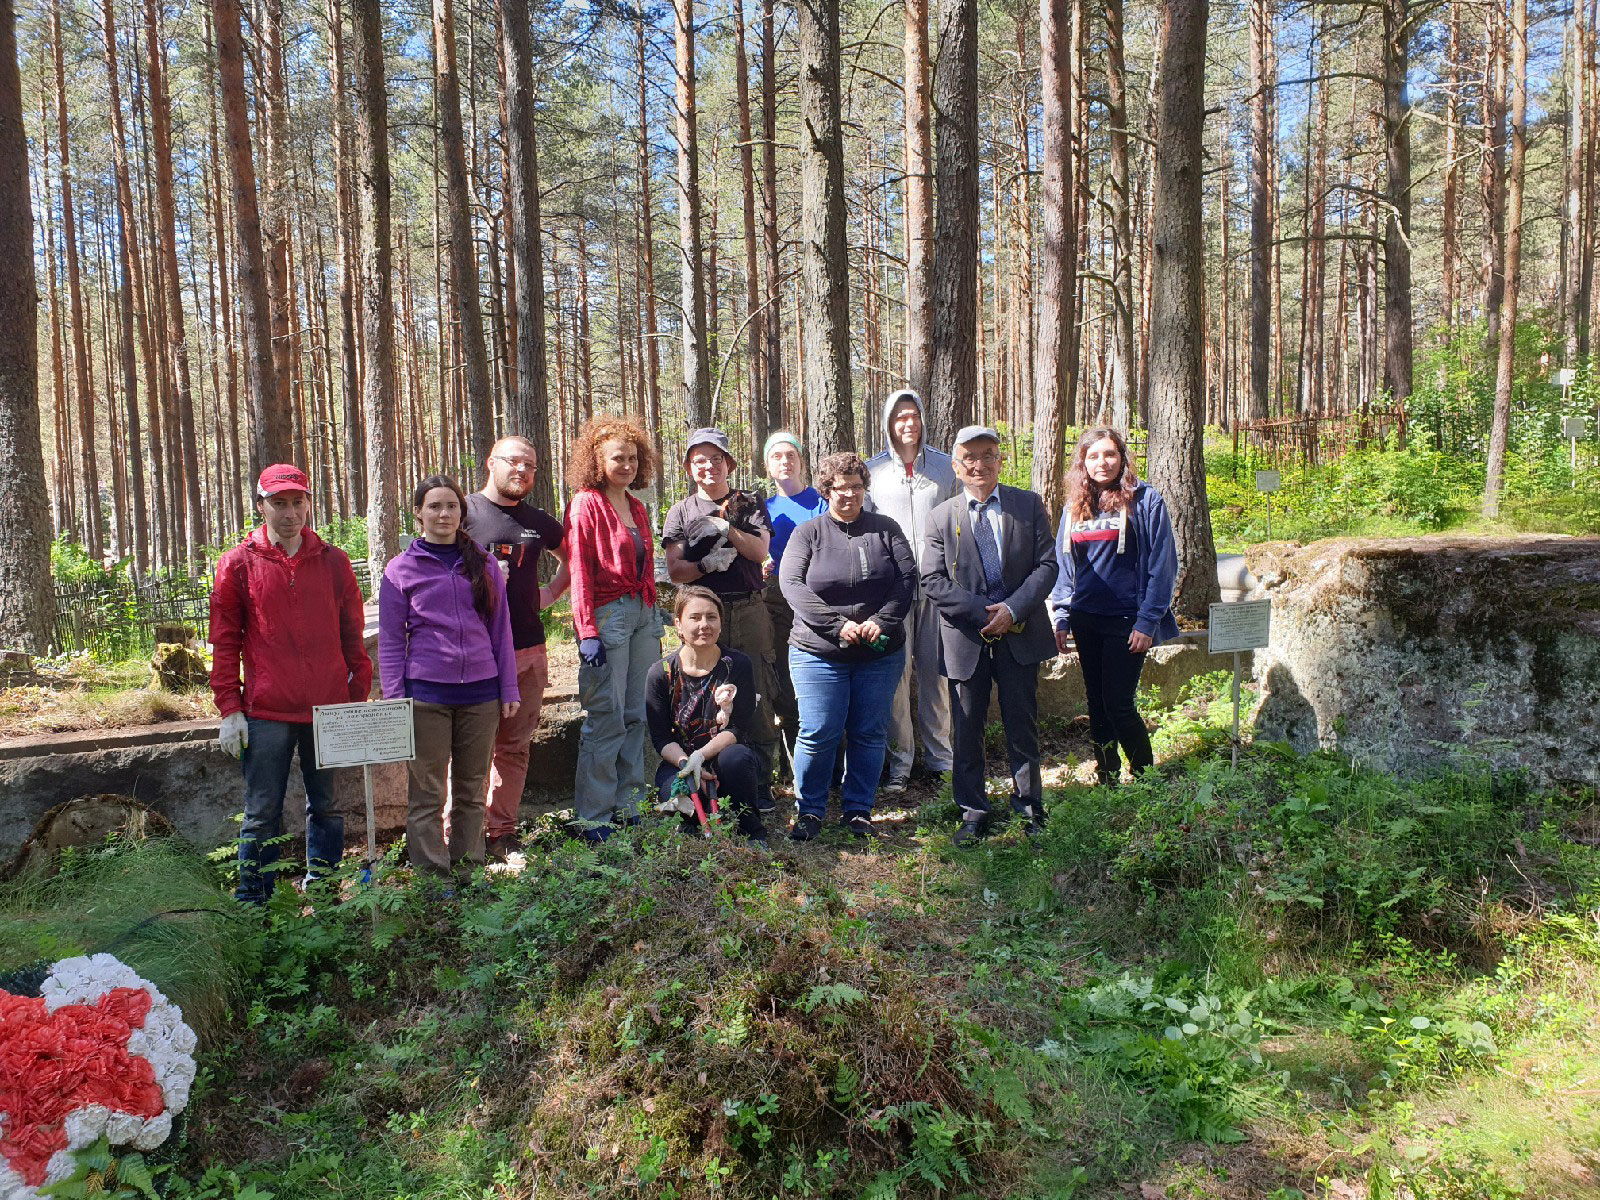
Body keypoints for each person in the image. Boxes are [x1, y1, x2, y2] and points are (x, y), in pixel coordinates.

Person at [210, 464, 373, 904]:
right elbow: (224, 643)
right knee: (261, 811)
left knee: (327, 807)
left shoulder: (334, 562)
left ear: (308, 503)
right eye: (279, 503)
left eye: (297, 502)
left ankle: (323, 891)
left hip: (327, 710)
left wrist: (353, 700)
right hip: (266, 713)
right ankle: (253, 900)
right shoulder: (238, 565)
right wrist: (230, 708)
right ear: (260, 505)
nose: (290, 512)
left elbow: (352, 637)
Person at [921, 427, 1060, 845]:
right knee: (966, 728)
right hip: (967, 637)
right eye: (969, 458)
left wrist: (1013, 609)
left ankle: (1029, 808)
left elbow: (1047, 566)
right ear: (956, 467)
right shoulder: (941, 517)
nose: (978, 465)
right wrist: (984, 613)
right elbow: (931, 578)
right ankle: (973, 811)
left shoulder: (1028, 505)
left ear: (1001, 460)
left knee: (1023, 724)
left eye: (988, 455)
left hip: (1020, 633)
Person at [379, 475, 520, 878]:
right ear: (418, 513)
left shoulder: (484, 563)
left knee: (471, 789)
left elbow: (500, 630)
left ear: (463, 512)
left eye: (452, 506)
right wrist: (395, 699)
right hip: (426, 697)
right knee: (427, 792)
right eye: (435, 506)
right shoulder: (400, 570)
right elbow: (391, 641)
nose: (444, 514)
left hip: (481, 694)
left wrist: (507, 686)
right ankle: (431, 879)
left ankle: (468, 871)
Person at [779, 451, 917, 841]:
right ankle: (809, 811)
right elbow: (792, 586)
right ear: (826, 491)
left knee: (869, 732)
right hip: (817, 652)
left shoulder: (885, 528)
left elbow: (906, 579)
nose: (849, 495)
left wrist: (881, 621)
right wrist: (837, 626)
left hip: (879, 652)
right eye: (840, 488)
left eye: (856, 486)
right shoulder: (808, 533)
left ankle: (858, 810)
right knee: (819, 731)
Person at [1048, 427, 1179, 785]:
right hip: (1086, 618)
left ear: (1122, 458)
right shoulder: (1075, 505)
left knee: (1119, 703)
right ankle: (1106, 776)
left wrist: (1148, 621)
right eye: (1093, 456)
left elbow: (1162, 565)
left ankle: (1145, 775)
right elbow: (1064, 565)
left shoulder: (1145, 499)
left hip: (1128, 620)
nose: (1102, 462)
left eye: (1109, 454)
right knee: (1096, 703)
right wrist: (1062, 616)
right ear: (1083, 462)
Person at [463, 435, 569, 860]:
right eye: (514, 462)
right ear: (491, 462)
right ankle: (461, 833)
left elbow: (572, 558)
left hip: (527, 648)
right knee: (469, 748)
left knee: (514, 746)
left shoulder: (539, 522)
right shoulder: (463, 511)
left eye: (530, 465)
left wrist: (549, 594)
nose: (522, 471)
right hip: (472, 653)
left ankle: (501, 833)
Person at [663, 428, 780, 803]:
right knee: (703, 695)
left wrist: (727, 528)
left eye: (716, 459)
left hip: (748, 609)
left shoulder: (748, 502)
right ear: (689, 468)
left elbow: (760, 551)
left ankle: (758, 782)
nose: (709, 467)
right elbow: (676, 570)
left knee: (756, 691)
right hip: (701, 615)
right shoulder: (681, 512)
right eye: (700, 461)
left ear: (728, 463)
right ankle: (708, 781)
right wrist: (705, 565)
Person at [565, 415, 663, 840]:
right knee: (606, 717)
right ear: (597, 461)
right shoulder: (587, 503)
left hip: (643, 615)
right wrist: (587, 631)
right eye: (616, 458)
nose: (625, 464)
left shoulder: (637, 506)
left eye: (632, 457)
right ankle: (594, 817)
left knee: (636, 713)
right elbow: (580, 572)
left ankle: (630, 805)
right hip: (608, 616)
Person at [865, 388, 957, 793]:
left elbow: (960, 519)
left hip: (938, 587)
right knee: (895, 678)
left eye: (913, 415)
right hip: (892, 591)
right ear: (888, 423)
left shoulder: (944, 467)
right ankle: (899, 763)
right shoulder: (873, 472)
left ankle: (941, 761)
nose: (907, 423)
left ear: (922, 419)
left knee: (936, 675)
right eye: (899, 416)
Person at [645, 586, 768, 846]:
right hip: (680, 761)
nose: (704, 625)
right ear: (678, 624)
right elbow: (660, 738)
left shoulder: (737, 665)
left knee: (738, 759)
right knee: (673, 794)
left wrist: (702, 757)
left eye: (711, 617)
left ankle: (752, 831)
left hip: (725, 756)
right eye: (695, 617)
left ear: (721, 623)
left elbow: (738, 729)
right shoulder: (661, 673)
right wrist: (687, 765)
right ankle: (693, 831)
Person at [760, 430, 828, 760]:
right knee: (784, 681)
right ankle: (793, 764)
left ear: (802, 461)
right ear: (767, 466)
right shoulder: (763, 508)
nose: (785, 461)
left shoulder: (820, 503)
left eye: (791, 455)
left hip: (818, 599)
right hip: (775, 603)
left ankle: (831, 765)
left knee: (821, 679)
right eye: (777, 456)